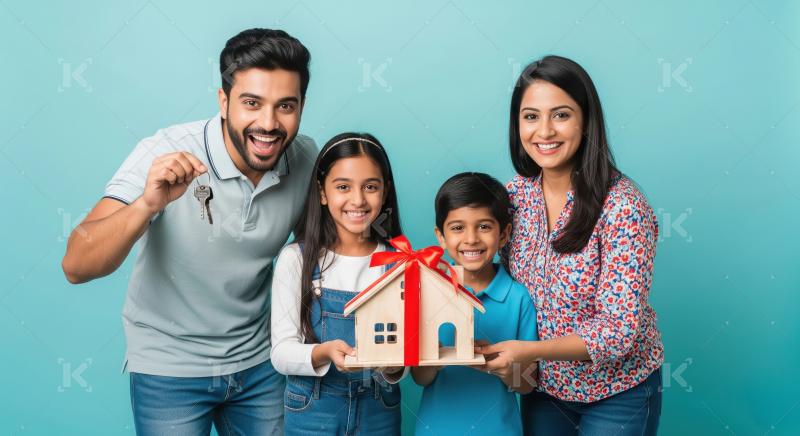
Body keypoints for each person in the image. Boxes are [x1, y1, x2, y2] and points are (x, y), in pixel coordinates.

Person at [61, 28, 317, 435]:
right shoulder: (165, 150)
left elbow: (320, 257)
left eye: (285, 106)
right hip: (170, 367)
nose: (268, 124)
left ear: (302, 106)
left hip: (259, 363)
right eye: (252, 103)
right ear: (223, 101)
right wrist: (148, 204)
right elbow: (76, 264)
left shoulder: (305, 159)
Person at [477, 55, 664, 436]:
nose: (544, 131)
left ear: (585, 122)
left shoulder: (623, 206)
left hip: (618, 390)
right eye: (531, 116)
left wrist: (529, 352)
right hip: (544, 388)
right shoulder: (513, 196)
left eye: (560, 115)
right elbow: (486, 272)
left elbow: (619, 330)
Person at [270, 133, 405, 435]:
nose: (358, 200)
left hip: (378, 408)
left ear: (384, 193)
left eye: (370, 187)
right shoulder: (297, 259)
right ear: (322, 192)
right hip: (311, 410)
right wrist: (324, 352)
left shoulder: (400, 262)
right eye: (343, 187)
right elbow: (280, 353)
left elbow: (405, 351)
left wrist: (395, 367)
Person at [412, 172, 538, 435]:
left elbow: (527, 384)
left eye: (484, 226)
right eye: (458, 228)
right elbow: (420, 378)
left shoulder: (518, 298)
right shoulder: (429, 292)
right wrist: (434, 357)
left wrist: (503, 368)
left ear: (503, 235)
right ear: (441, 237)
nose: (471, 239)